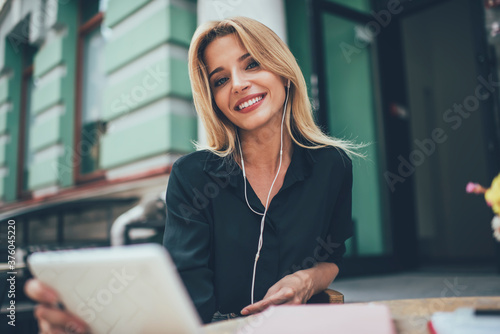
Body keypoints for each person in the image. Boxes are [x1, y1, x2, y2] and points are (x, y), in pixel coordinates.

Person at [24, 16, 361, 332]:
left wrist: (307, 282)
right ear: (213, 99)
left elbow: (332, 256)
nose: (239, 84)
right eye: (221, 79)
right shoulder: (193, 176)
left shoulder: (332, 164)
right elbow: (188, 287)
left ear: (283, 71)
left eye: (252, 63)